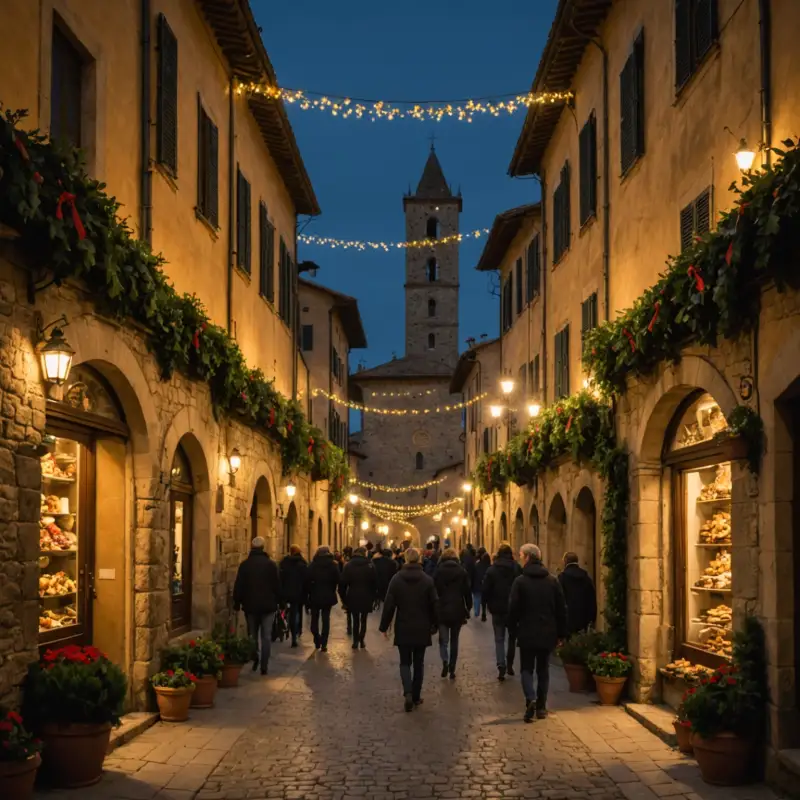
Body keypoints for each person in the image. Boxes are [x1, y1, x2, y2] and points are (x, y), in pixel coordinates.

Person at [508, 543, 567, 722]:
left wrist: (513, 629)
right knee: (543, 669)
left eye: (520, 555)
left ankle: (530, 698)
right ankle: (541, 707)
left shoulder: (520, 582)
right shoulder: (552, 580)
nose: (519, 558)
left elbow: (513, 609)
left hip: (527, 631)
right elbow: (561, 609)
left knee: (526, 668)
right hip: (548, 631)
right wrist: (561, 634)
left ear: (527, 557)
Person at [379, 548, 438, 712]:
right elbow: (434, 604)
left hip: (403, 626)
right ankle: (417, 696)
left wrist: (384, 626)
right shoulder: (427, 580)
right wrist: (435, 624)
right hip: (422, 626)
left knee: (405, 662)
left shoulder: (396, 579)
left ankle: (408, 693)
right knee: (419, 663)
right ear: (419, 559)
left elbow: (389, 604)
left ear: (405, 559)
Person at [233, 537, 281, 675]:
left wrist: (237, 601)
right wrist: (280, 601)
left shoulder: (245, 565)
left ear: (251, 547)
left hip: (250, 605)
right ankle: (264, 665)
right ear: (263, 547)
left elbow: (239, 585)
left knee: (252, 635)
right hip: (268, 606)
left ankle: (255, 659)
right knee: (266, 636)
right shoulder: (271, 565)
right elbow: (277, 585)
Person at [482, 543, 522, 680]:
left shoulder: (492, 570)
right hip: (514, 608)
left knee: (499, 639)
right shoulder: (517, 568)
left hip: (497, 609)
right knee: (512, 638)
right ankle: (510, 664)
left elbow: (485, 589)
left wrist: (486, 605)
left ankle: (501, 665)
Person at [433, 548, 471, 679]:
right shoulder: (462, 571)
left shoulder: (438, 571)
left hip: (442, 609)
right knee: (455, 640)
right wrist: (468, 607)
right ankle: (452, 667)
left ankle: (444, 660)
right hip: (457, 609)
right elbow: (467, 591)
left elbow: (434, 591)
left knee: (443, 640)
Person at [339, 546, 378, 649]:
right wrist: (374, 597)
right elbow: (374, 583)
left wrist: (344, 599)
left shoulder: (348, 565)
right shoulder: (370, 565)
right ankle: (362, 639)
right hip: (366, 595)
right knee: (364, 619)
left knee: (355, 619)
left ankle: (355, 641)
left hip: (352, 595)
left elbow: (342, 584)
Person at [304, 545, 340, 652]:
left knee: (314, 619)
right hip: (328, 595)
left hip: (315, 595)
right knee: (325, 619)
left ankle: (316, 638)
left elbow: (307, 581)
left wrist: (309, 592)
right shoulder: (333, 565)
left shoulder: (312, 565)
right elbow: (338, 579)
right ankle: (324, 643)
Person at [558, 552, 598, 636]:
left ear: (565, 561)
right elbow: (592, 598)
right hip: (583, 618)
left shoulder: (562, 578)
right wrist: (592, 618)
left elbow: (559, 598)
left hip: (567, 619)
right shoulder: (586, 577)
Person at [279, 544, 308, 648]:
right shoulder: (302, 563)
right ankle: (295, 634)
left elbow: (280, 577)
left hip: (286, 592)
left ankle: (286, 627)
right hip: (298, 593)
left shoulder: (284, 562)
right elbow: (306, 580)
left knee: (286, 610)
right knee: (296, 612)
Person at [473, 548, 491, 621]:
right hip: (486, 585)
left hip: (477, 584)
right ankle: (484, 611)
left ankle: (477, 612)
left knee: (477, 597)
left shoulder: (477, 565)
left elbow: (474, 574)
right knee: (484, 599)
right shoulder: (489, 566)